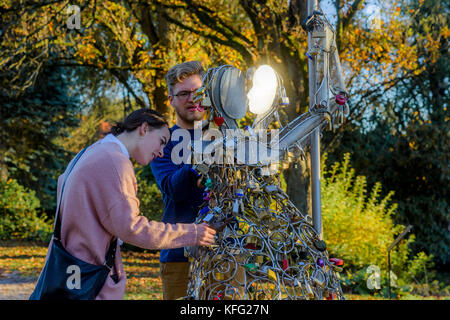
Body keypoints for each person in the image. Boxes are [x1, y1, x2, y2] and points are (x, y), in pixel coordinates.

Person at [36, 108, 216, 300]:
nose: (162, 152)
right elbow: (134, 229)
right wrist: (195, 233)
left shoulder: (89, 152)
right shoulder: (116, 162)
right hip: (90, 278)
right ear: (144, 128)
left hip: (67, 268)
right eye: (161, 141)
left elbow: (62, 184)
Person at [150, 61, 207, 299]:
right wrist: (202, 156)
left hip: (228, 252)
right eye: (184, 93)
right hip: (178, 256)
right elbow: (174, 189)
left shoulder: (229, 136)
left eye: (199, 92)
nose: (192, 99)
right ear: (171, 99)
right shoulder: (162, 141)